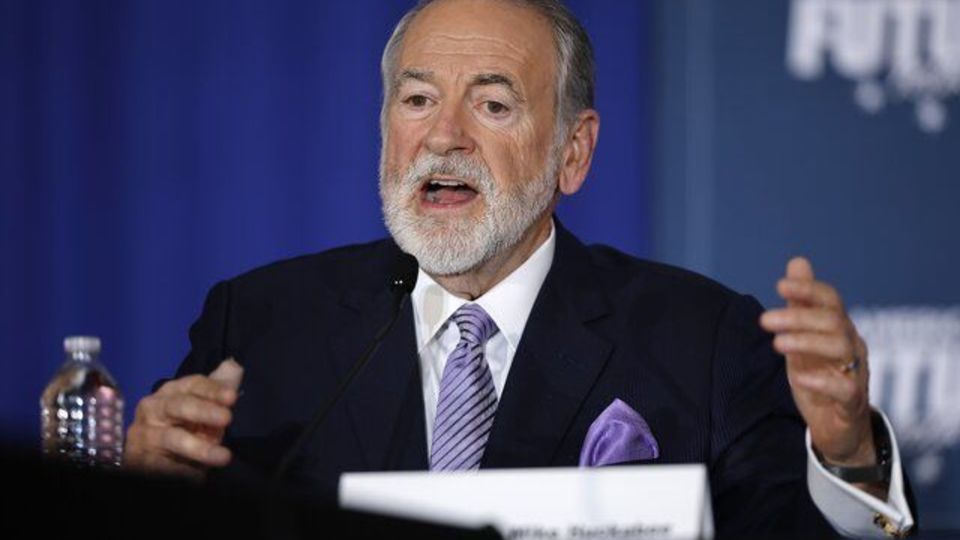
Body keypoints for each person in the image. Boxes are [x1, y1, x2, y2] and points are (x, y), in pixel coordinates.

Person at [123, 0, 915, 537]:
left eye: (493, 105)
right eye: (417, 100)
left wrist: (847, 456)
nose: (444, 137)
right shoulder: (260, 327)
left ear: (574, 151)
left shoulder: (702, 341)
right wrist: (144, 492)